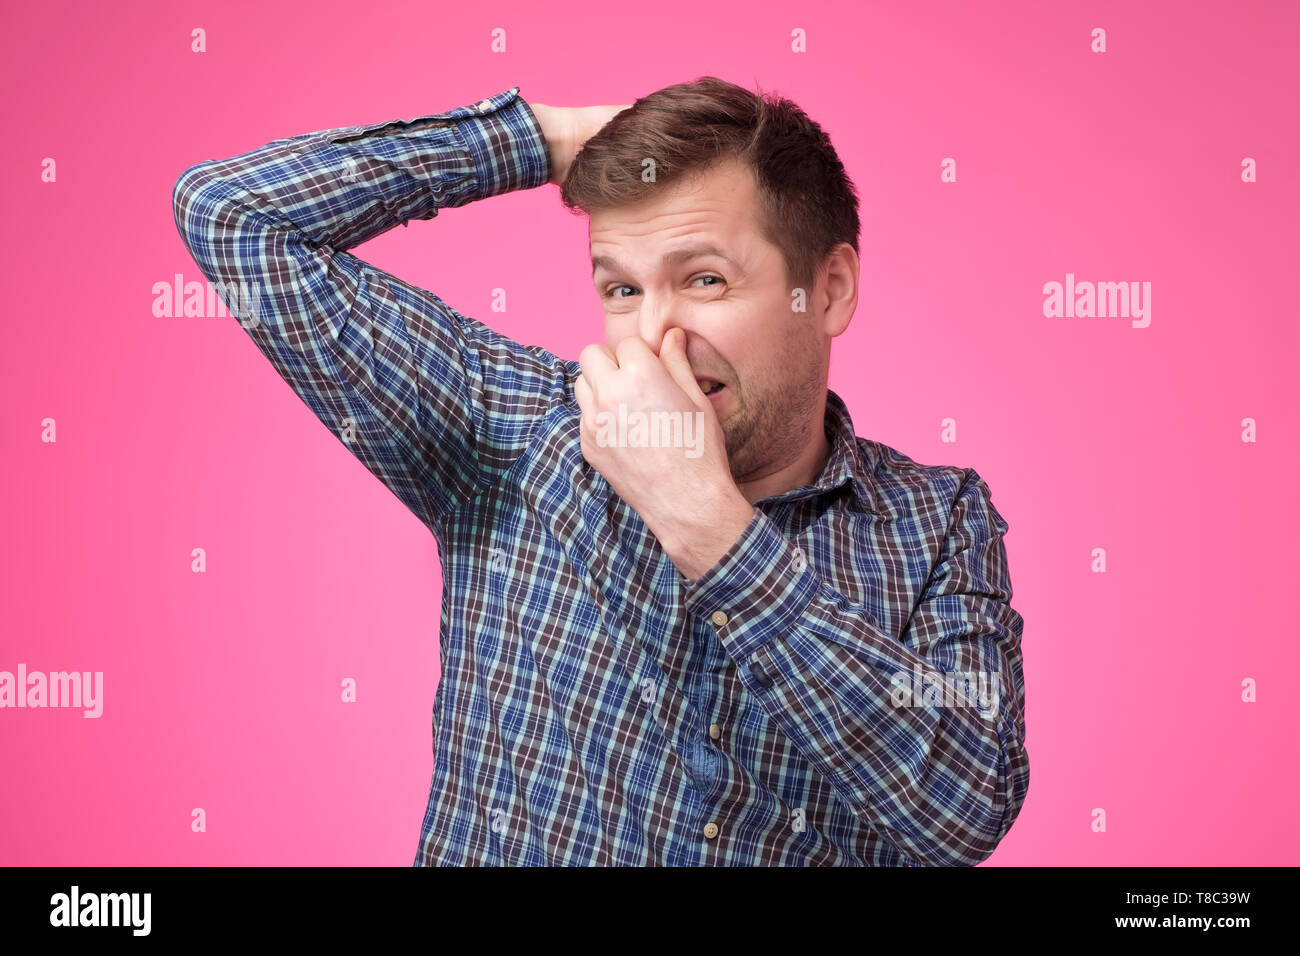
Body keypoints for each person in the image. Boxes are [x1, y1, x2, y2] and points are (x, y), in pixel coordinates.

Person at [171, 76, 1028, 866]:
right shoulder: (517, 431)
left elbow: (960, 813)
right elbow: (234, 216)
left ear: (829, 288)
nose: (656, 336)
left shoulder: (938, 521)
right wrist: (548, 141)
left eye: (703, 279)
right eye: (620, 289)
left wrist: (710, 528)